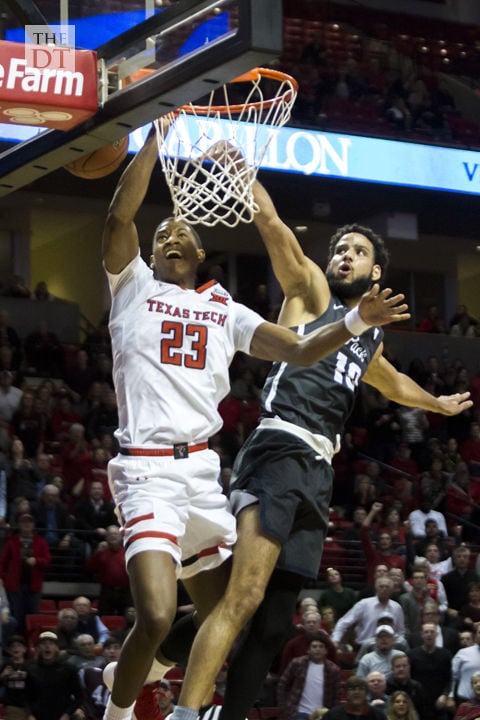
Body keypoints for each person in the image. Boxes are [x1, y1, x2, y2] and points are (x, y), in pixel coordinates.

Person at [100, 121, 411, 720]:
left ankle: (147, 666)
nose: (169, 236)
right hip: (145, 472)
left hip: (200, 474)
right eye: (160, 232)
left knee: (235, 611)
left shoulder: (225, 308)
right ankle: (119, 711)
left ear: (200, 253)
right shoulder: (131, 285)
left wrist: (355, 324)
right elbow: (119, 220)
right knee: (161, 612)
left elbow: (297, 349)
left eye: (180, 232)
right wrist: (155, 140)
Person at [161, 170, 471, 720]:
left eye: (356, 250)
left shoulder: (368, 334)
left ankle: (161, 658)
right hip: (279, 448)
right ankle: (183, 708)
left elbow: (390, 381)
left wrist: (437, 405)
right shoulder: (311, 291)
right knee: (246, 595)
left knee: (275, 621)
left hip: (317, 470)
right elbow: (274, 227)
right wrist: (245, 178)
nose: (343, 256)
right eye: (339, 249)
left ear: (377, 271)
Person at [0, 511, 51, 633]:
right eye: (23, 522)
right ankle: (16, 641)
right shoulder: (12, 541)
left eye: (29, 522)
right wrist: (1, 577)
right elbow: (2, 562)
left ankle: (30, 640)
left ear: (33, 525)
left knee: (32, 614)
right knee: (16, 613)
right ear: (19, 524)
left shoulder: (40, 541)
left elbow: (47, 560)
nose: (26, 525)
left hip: (34, 586)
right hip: (14, 586)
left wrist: (37, 561)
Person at [277, 634, 341, 720]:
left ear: (326, 650)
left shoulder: (333, 670)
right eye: (314, 646)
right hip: (298, 713)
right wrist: (284, 707)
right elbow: (282, 684)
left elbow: (336, 696)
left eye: (321, 647)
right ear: (308, 650)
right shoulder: (297, 663)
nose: (317, 649)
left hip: (322, 714)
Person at [24, 630, 84, 720]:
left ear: (57, 648)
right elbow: (26, 697)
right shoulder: (31, 669)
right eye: (43, 643)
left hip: (62, 716)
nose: (47, 646)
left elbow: (79, 697)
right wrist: (29, 715)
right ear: (39, 648)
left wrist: (67, 714)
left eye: (51, 643)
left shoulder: (69, 669)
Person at [331, 576, 405, 648]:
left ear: (392, 590)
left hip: (388, 648)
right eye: (381, 586)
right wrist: (335, 640)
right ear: (376, 588)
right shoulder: (364, 604)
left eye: (387, 587)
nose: (384, 589)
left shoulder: (396, 607)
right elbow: (343, 622)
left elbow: (400, 631)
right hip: (364, 647)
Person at [408, 621, 452, 720]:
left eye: (432, 632)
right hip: (418, 704)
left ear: (436, 634)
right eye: (426, 632)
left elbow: (449, 679)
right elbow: (409, 679)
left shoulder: (445, 654)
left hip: (439, 703)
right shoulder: (412, 655)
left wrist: (444, 695)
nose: (429, 635)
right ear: (421, 635)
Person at [86, 525, 131, 615]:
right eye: (110, 534)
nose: (113, 536)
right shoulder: (101, 553)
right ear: (106, 537)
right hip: (107, 591)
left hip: (126, 592)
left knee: (127, 618)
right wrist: (97, 552)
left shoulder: (128, 552)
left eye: (115, 534)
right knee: (104, 617)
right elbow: (89, 568)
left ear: (121, 537)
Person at [0, 634, 28, 720]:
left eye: (19, 646)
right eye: (13, 646)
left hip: (28, 706)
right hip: (12, 707)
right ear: (9, 650)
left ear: (24, 649)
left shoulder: (30, 666)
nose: (16, 648)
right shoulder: (5, 665)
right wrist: (2, 676)